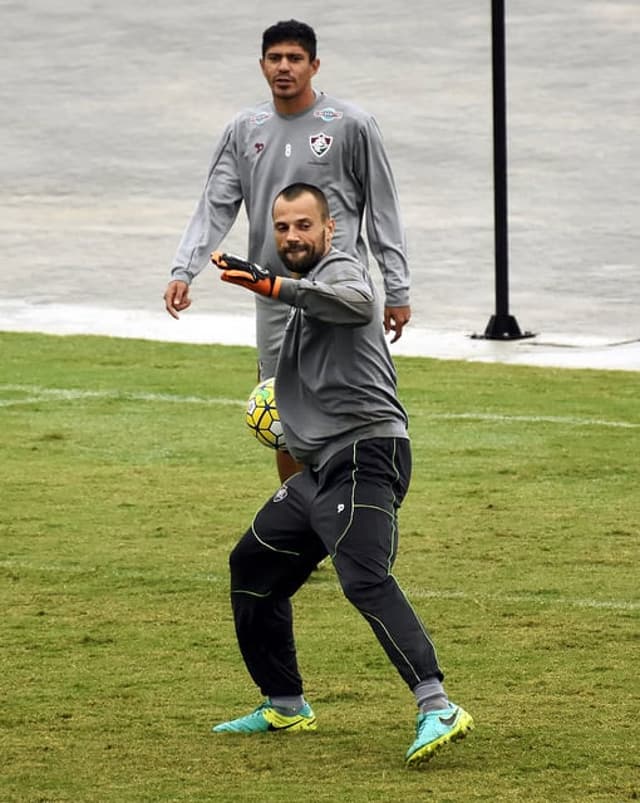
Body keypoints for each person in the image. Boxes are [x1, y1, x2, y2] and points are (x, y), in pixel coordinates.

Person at [208, 183, 473, 767]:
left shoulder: (344, 270)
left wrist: (272, 284)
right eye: (281, 228)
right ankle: (284, 703)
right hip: (322, 468)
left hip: (366, 455)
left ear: (329, 230)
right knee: (253, 564)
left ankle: (438, 704)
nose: (292, 237)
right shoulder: (301, 300)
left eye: (304, 225)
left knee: (363, 577)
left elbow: (357, 305)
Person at [163, 19, 411, 483]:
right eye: (275, 58)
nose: (284, 67)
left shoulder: (351, 125)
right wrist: (185, 269)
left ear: (315, 65)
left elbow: (383, 210)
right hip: (275, 298)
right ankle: (303, 525)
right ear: (261, 65)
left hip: (339, 292)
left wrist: (396, 289)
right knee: (284, 414)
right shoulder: (245, 128)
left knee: (348, 405)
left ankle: (354, 506)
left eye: (295, 58)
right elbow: (216, 204)